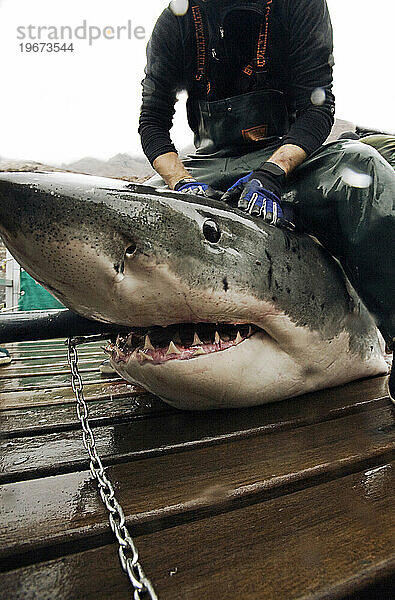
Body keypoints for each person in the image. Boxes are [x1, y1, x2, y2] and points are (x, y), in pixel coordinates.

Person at [138, 0, 394, 400]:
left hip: (283, 152)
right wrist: (181, 183)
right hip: (207, 161)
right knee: (138, 200)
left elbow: (319, 110)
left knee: (362, 168)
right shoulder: (176, 22)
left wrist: (273, 174)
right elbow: (152, 122)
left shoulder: (300, 6)